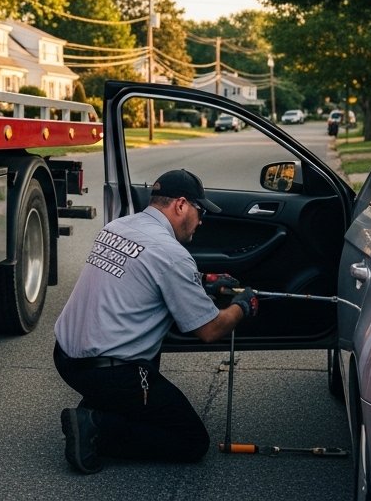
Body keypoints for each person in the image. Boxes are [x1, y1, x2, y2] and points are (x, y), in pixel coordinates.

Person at [52, 168, 259, 473]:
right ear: (180, 205)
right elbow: (209, 330)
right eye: (199, 211)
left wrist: (201, 281)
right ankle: (96, 425)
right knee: (191, 441)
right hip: (112, 374)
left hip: (67, 358)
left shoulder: (118, 227)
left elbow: (143, 276)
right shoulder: (171, 254)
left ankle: (100, 406)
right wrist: (243, 305)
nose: (201, 221)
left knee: (136, 391)